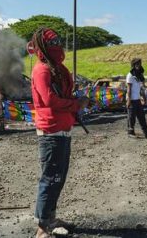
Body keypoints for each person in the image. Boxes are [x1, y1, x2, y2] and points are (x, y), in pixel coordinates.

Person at [30, 27, 89, 238]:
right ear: (43, 46)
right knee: (50, 179)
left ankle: (51, 218)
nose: (57, 44)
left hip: (63, 130)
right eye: (52, 41)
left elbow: (61, 94)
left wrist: (76, 102)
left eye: (57, 40)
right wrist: (75, 105)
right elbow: (49, 100)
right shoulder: (42, 70)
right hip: (51, 132)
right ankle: (42, 229)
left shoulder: (58, 69)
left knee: (59, 178)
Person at [126, 58, 147, 138]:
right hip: (131, 100)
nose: (138, 66)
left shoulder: (139, 75)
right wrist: (128, 100)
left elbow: (141, 87)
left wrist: (144, 97)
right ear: (133, 65)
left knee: (141, 116)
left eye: (139, 64)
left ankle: (146, 132)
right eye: (137, 64)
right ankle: (130, 133)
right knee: (131, 117)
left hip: (138, 99)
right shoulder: (130, 75)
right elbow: (129, 89)